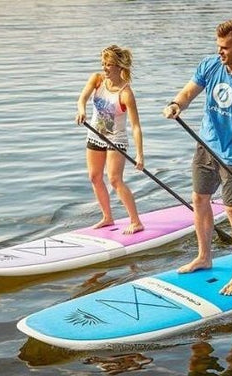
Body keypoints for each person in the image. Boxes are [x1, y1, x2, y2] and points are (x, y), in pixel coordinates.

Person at [163, 19, 232, 295]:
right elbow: (188, 93)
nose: (219, 51)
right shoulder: (210, 65)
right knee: (199, 200)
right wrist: (176, 104)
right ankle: (204, 256)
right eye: (217, 46)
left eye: (224, 47)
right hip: (206, 146)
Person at [76, 45, 145, 234]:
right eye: (103, 64)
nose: (105, 68)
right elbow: (82, 99)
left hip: (116, 140)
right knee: (94, 177)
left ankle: (136, 221)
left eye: (109, 65)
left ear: (119, 67)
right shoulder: (97, 80)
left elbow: (136, 126)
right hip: (95, 136)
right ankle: (107, 217)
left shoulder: (125, 93)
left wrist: (140, 155)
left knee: (114, 180)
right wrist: (81, 110)